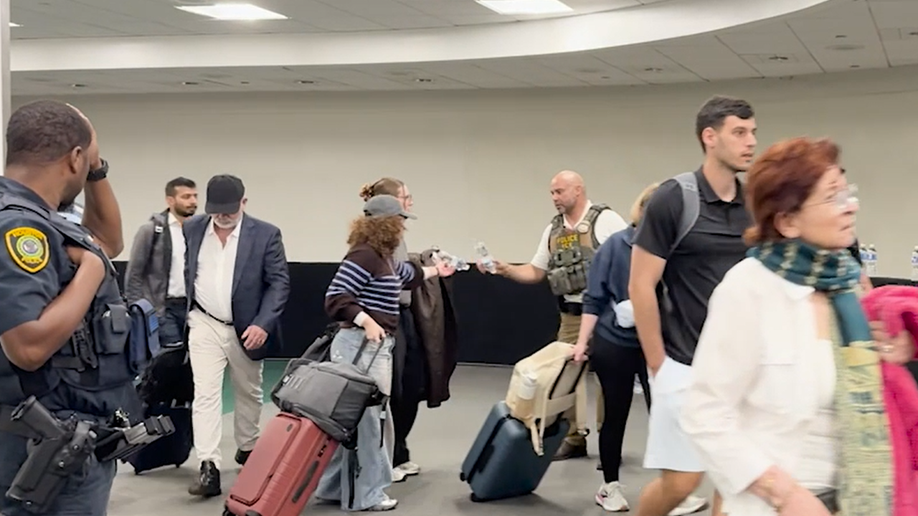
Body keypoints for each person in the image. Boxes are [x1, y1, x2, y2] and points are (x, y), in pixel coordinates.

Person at [680, 136, 916, 516]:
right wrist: (784, 494)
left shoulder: (845, 283)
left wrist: (893, 352)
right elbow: (704, 416)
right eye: (832, 197)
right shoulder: (748, 289)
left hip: (858, 500)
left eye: (847, 191)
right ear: (788, 221)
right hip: (775, 504)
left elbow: (860, 390)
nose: (850, 207)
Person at [0, 100, 141, 516]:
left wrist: (95, 170)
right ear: (73, 157)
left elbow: (107, 240)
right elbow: (26, 347)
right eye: (88, 160)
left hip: (49, 436)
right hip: (45, 444)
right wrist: (93, 271)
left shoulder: (39, 215)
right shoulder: (20, 227)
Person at [629, 95, 757, 516]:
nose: (750, 141)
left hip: (739, 369)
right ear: (710, 137)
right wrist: (658, 365)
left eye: (752, 131)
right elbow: (641, 284)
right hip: (684, 364)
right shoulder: (673, 199)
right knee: (681, 483)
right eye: (739, 132)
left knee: (731, 480)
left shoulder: (755, 204)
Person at [316, 194, 455, 512]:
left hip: (375, 347)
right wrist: (367, 321)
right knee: (370, 422)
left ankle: (335, 486)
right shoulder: (363, 256)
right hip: (361, 348)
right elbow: (336, 297)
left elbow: (408, 276)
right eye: (402, 220)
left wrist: (437, 271)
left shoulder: (384, 257)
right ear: (387, 223)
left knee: (359, 421)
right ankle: (367, 494)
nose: (405, 227)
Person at [478, 170, 627, 461]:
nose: (554, 198)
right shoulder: (554, 230)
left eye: (559, 191)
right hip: (571, 315)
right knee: (564, 378)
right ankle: (573, 438)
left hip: (605, 314)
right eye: (552, 193)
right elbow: (536, 271)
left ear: (578, 190)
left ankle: (611, 443)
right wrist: (505, 268)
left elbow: (629, 258)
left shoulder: (607, 221)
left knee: (609, 380)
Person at [183, 174, 290, 497]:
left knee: (248, 392)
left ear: (244, 203)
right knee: (205, 394)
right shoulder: (193, 228)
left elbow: (279, 283)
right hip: (204, 321)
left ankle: (247, 446)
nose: (223, 216)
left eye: (230, 209)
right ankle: (208, 466)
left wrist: (263, 323)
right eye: (217, 209)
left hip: (247, 327)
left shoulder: (266, 234)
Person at [572, 182, 659, 512]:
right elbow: (593, 298)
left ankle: (674, 484)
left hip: (653, 343)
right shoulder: (613, 247)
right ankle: (609, 486)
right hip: (614, 342)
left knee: (665, 413)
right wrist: (582, 342)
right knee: (615, 414)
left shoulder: (671, 250)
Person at [359, 177, 422, 483]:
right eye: (404, 198)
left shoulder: (397, 242)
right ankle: (383, 460)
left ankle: (398, 452)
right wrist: (366, 321)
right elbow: (339, 296)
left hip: (402, 319)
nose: (409, 203)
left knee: (408, 387)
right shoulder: (367, 250)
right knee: (387, 393)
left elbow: (402, 273)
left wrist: (428, 267)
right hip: (382, 323)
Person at [124, 177, 198, 345]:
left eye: (195, 196)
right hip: (162, 308)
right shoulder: (151, 230)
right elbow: (134, 273)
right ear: (170, 200)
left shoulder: (199, 230)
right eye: (186, 197)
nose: (193, 201)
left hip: (191, 309)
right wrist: (138, 308)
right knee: (169, 359)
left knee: (193, 360)